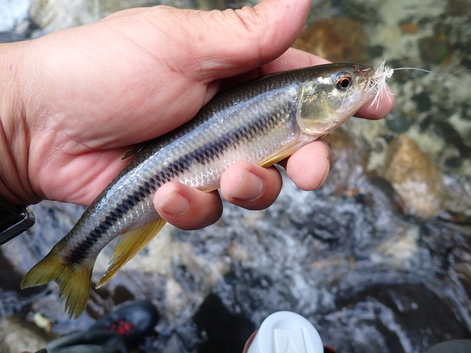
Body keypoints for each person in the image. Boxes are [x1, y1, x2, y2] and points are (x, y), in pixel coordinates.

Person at [0, 0, 393, 233]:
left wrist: (20, 139)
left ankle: (75, 254)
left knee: (177, 200)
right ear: (308, 100)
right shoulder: (291, 110)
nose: (355, 85)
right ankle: (74, 256)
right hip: (154, 172)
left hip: (146, 173)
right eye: (343, 83)